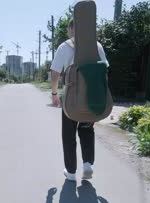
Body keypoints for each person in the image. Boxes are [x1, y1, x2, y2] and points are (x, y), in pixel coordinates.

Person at [49, 18, 109, 181]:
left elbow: (55, 74)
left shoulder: (65, 46)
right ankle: (88, 164)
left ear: (71, 29)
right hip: (91, 96)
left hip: (71, 99)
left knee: (68, 134)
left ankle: (71, 173)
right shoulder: (97, 45)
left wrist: (54, 94)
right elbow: (104, 70)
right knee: (87, 129)